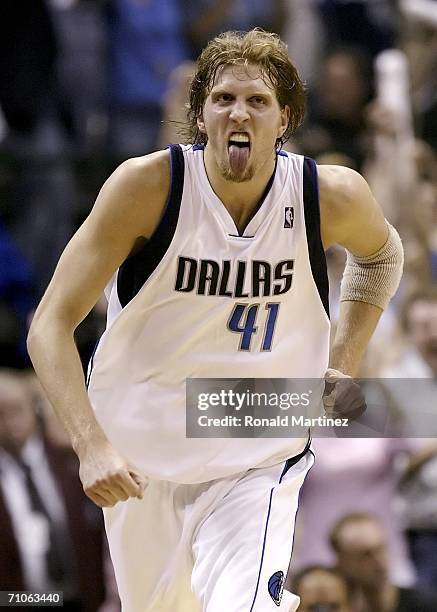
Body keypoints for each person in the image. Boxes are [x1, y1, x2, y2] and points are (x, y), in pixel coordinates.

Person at [27, 29, 403, 612]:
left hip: (255, 443)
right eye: (223, 98)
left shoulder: (326, 195)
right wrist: (90, 443)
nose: (239, 113)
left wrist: (341, 363)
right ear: (200, 115)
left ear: (285, 120)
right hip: (142, 449)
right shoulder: (147, 187)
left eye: (258, 101)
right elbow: (49, 325)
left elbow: (382, 256)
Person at [0, 369, 105, 611]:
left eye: (16, 410)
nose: (9, 423)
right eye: (0, 414)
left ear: (35, 410)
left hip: (84, 600)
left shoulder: (73, 462)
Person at [329, 512, 437, 612]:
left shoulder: (426, 605)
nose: (379, 561)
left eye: (381, 549)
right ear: (342, 563)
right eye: (366, 555)